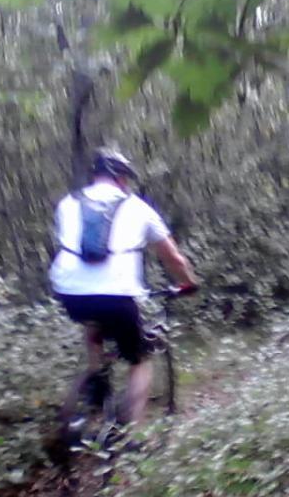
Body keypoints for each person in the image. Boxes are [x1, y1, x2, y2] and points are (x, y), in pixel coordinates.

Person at [50, 147, 197, 431]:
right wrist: (188, 283)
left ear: (95, 175)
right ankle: (130, 434)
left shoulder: (67, 203)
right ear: (120, 178)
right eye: (126, 179)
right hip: (117, 294)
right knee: (140, 359)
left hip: (69, 292)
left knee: (93, 323)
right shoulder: (138, 208)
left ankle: (96, 382)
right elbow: (173, 258)